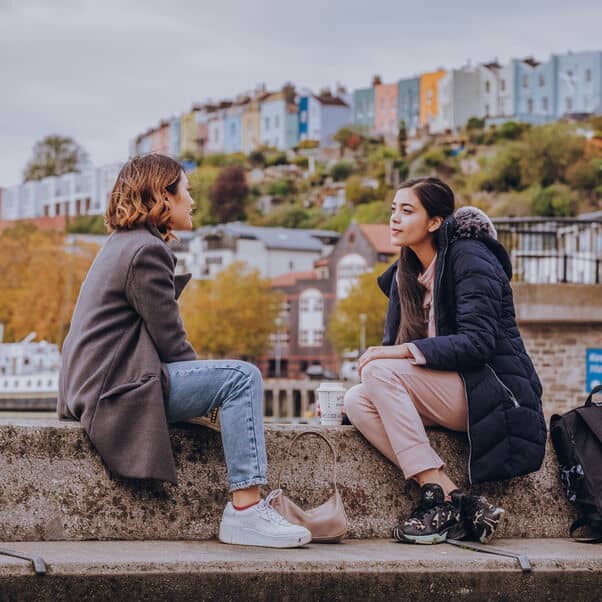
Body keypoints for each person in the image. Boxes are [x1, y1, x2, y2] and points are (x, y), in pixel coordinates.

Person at [57, 153, 311, 549]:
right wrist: (207, 397)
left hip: (97, 386)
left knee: (230, 381)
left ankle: (247, 510)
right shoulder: (146, 251)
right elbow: (172, 343)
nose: (192, 201)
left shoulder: (122, 244)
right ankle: (245, 511)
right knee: (241, 377)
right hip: (116, 393)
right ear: (164, 196)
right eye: (186, 191)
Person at [343, 177, 546, 544]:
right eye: (393, 210)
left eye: (407, 211)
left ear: (435, 222)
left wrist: (397, 353)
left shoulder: (470, 258)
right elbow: (391, 359)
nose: (395, 219)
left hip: (492, 393)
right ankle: (452, 497)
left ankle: (438, 502)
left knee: (376, 368)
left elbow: (479, 343)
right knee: (357, 400)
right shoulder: (404, 271)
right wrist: (392, 360)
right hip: (449, 390)